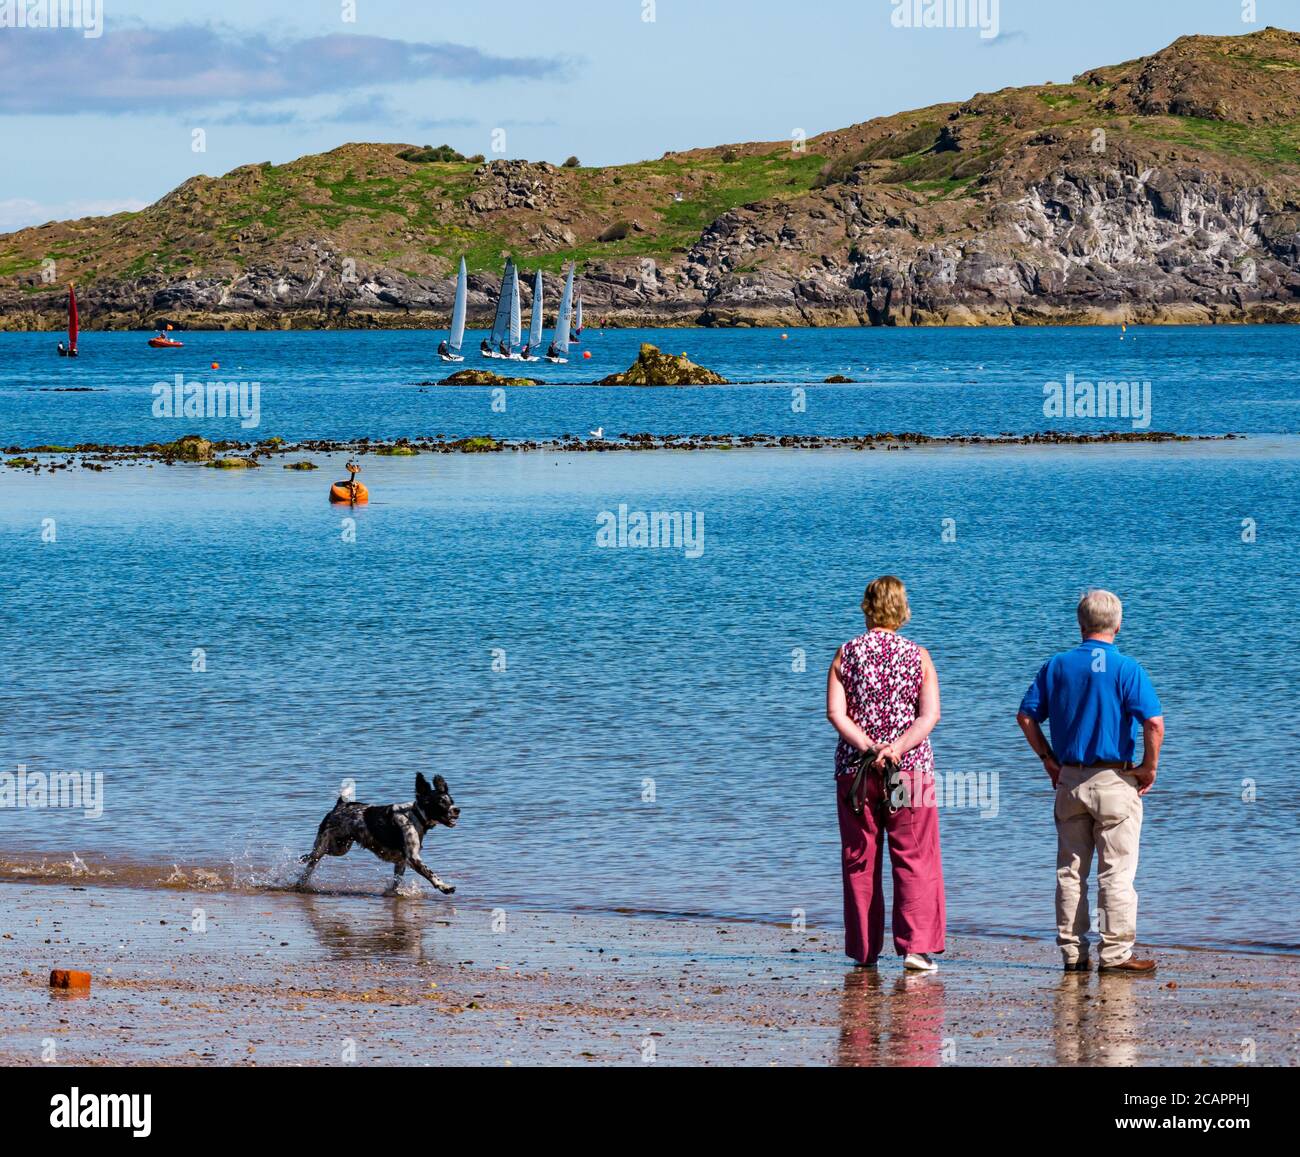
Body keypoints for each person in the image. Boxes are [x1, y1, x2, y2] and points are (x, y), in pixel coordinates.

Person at [1017, 589, 1165, 975]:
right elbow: (1153, 723)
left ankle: (1073, 953)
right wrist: (1149, 768)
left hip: (1070, 779)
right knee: (1115, 872)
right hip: (1115, 777)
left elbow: (1026, 717)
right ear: (1118, 625)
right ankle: (1115, 955)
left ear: (1080, 625)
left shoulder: (1057, 666)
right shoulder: (1127, 668)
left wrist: (1048, 760)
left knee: (1070, 871)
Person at [827, 575, 945, 972]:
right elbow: (930, 716)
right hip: (909, 769)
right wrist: (895, 748)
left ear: (866, 607)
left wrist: (868, 747)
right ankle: (915, 948)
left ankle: (864, 951)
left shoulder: (846, 654)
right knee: (915, 856)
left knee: (860, 857)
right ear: (902, 610)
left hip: (855, 770)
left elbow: (836, 714)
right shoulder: (919, 656)